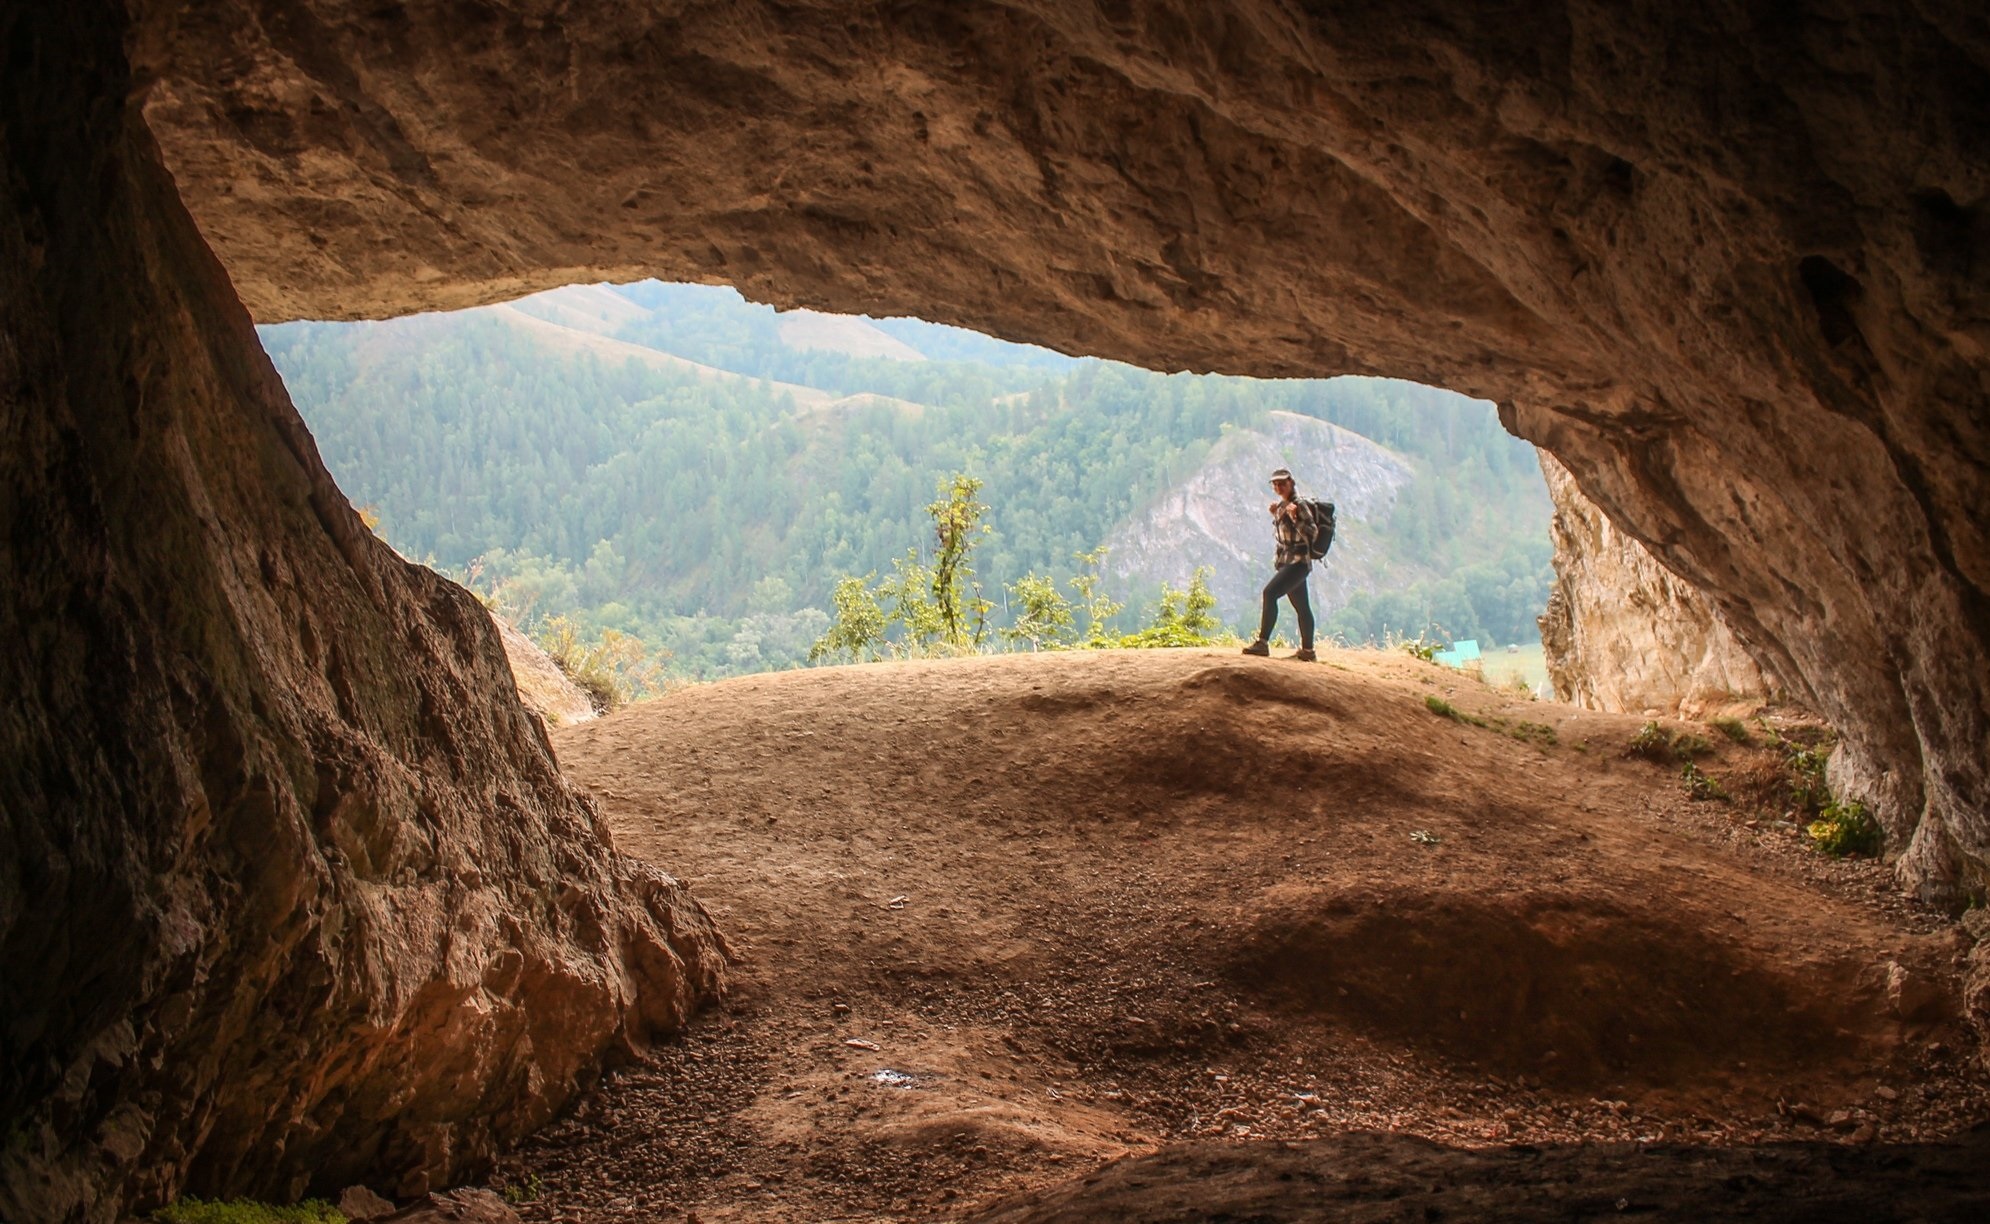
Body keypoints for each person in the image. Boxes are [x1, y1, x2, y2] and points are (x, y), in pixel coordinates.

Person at [1241, 468, 1318, 662]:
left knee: (1270, 593)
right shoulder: (1284, 505)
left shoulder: (1299, 505)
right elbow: (1284, 536)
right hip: (1288, 563)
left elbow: (1311, 533)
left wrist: (1295, 517)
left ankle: (1262, 643)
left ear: (1291, 483)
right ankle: (1308, 651)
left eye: (1282, 483)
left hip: (1297, 562)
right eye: (1275, 484)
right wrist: (1278, 513)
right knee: (1302, 606)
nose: (1278, 487)